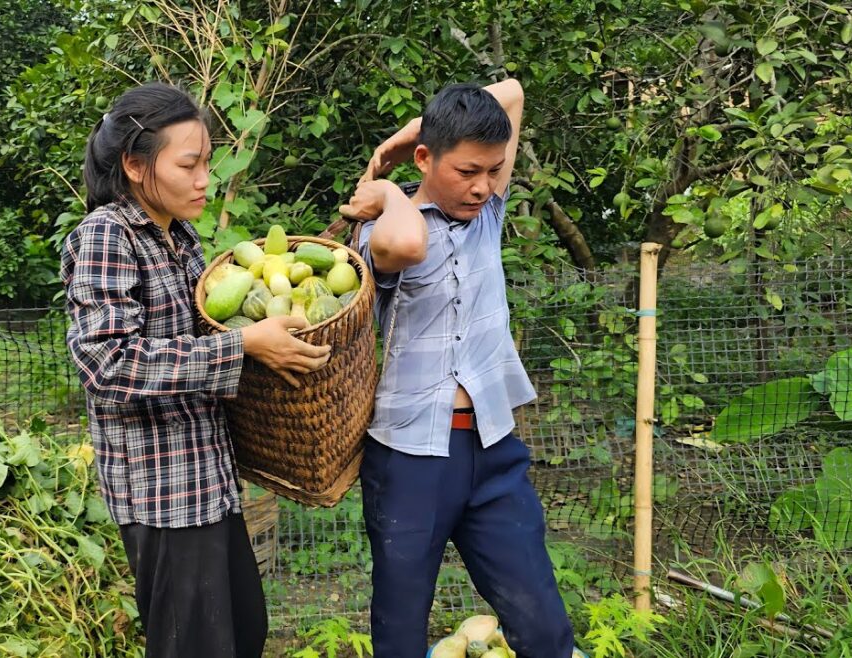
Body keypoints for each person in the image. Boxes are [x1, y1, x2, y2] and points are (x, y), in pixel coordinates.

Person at [61, 82, 332, 658]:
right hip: (163, 494)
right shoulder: (107, 235)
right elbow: (106, 362)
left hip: (210, 480)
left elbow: (201, 336)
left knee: (244, 632)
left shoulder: (180, 236)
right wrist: (242, 347)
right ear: (135, 165)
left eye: (207, 162)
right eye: (189, 165)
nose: (204, 178)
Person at [341, 79, 580, 658]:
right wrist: (391, 191)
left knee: (543, 628)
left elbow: (513, 92)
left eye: (494, 171)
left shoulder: (487, 213)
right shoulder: (379, 226)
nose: (483, 186)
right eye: (468, 171)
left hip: (492, 450)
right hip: (409, 457)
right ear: (428, 161)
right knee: (400, 632)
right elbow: (407, 246)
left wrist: (405, 136)